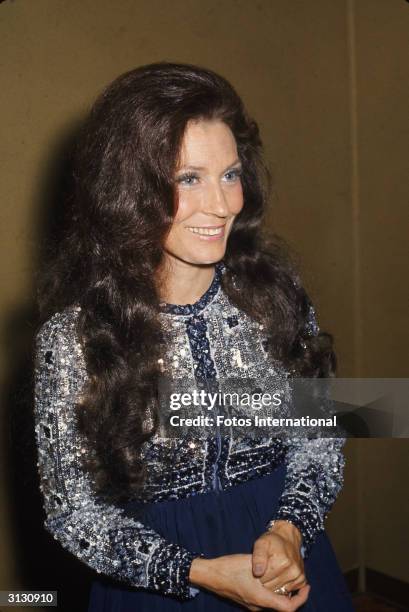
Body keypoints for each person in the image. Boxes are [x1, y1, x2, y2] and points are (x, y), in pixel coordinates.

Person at [33, 62, 355, 611]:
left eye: (230, 175)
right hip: (154, 585)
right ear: (130, 190)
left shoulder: (275, 296)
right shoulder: (75, 340)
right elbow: (72, 511)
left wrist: (291, 529)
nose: (223, 204)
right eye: (189, 179)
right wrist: (195, 572)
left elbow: (319, 436)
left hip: (290, 563)